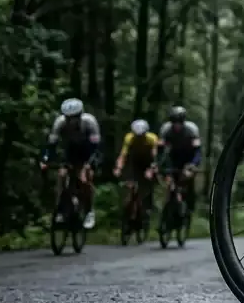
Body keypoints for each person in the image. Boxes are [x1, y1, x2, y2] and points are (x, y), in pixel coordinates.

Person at [39, 97, 101, 230]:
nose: (71, 121)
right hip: (70, 150)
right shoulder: (59, 122)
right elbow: (51, 144)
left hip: (88, 150)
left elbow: (96, 148)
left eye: (74, 117)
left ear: (80, 115)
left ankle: (89, 211)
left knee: (84, 179)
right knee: (61, 175)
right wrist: (45, 160)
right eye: (68, 118)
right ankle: (61, 208)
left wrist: (88, 165)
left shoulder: (89, 122)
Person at [158, 106, 202, 209]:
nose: (177, 125)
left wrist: (194, 164)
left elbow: (198, 150)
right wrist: (158, 164)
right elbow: (160, 149)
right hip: (174, 157)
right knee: (170, 184)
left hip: (189, 158)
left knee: (187, 179)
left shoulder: (192, 129)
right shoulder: (166, 130)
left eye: (179, 122)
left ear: (183, 121)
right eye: (174, 122)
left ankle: (190, 204)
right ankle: (168, 207)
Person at [114, 118, 159, 215]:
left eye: (141, 136)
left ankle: (148, 206)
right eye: (136, 136)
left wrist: (151, 169)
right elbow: (123, 155)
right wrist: (118, 168)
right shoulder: (129, 138)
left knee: (148, 182)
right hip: (134, 163)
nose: (139, 138)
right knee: (130, 186)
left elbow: (155, 157)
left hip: (148, 163)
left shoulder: (152, 139)